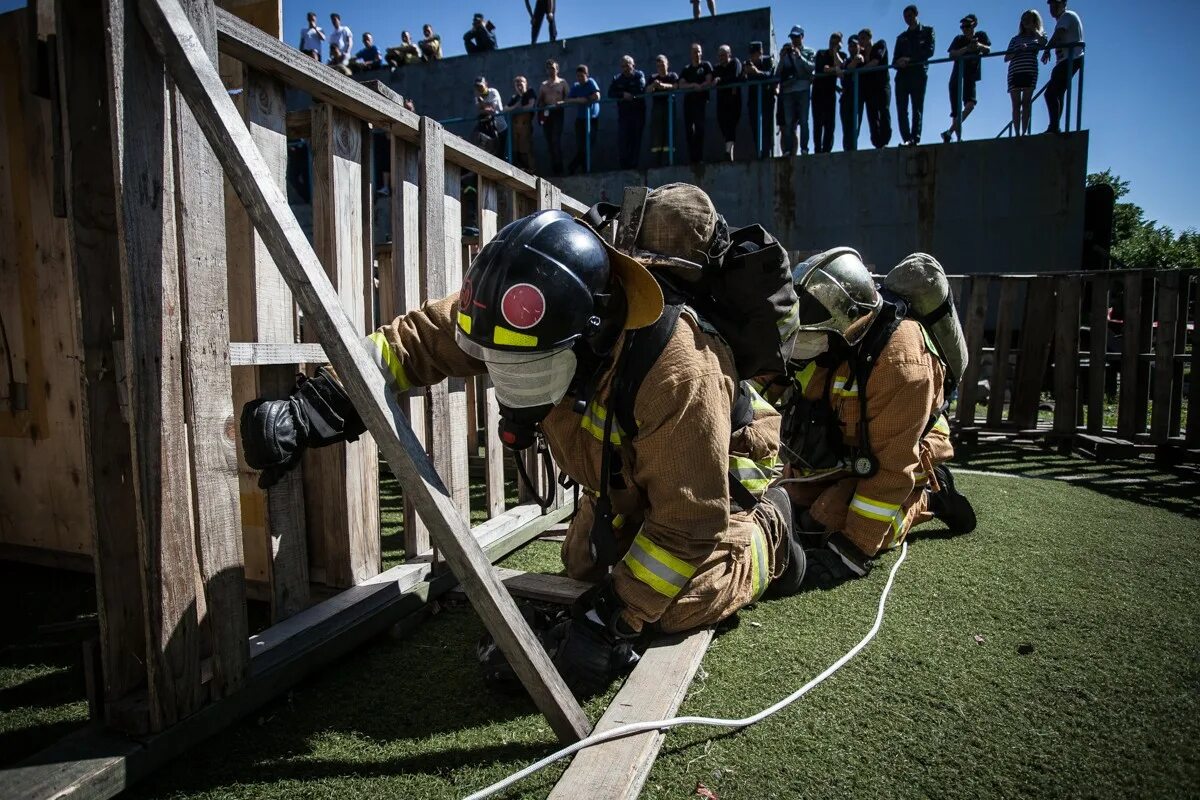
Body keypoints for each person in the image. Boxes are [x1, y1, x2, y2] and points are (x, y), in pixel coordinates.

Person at [240, 186, 801, 696]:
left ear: (592, 333)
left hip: (716, 475)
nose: (512, 384)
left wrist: (610, 621)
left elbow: (685, 522)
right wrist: (320, 405)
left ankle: (770, 534)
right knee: (583, 566)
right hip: (625, 475)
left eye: (533, 368)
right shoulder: (518, 306)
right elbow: (418, 342)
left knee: (674, 602)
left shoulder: (680, 369)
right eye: (499, 363)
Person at [770, 248, 977, 589]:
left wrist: (851, 551)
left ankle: (928, 499)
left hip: (897, 456)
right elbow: (784, 392)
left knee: (830, 522)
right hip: (848, 451)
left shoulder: (902, 363)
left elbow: (891, 468)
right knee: (800, 516)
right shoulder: (830, 344)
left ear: (847, 317)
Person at [940, 14, 991, 143]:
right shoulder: (959, 39)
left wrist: (978, 46)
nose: (965, 29)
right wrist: (967, 48)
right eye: (963, 27)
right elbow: (951, 54)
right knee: (956, 111)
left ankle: (950, 132)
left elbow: (988, 50)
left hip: (971, 75)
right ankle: (956, 138)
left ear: (974, 25)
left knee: (970, 104)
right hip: (957, 75)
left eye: (968, 26)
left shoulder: (981, 36)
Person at [893, 5, 935, 146]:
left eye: (910, 16)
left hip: (918, 74)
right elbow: (894, 60)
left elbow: (929, 51)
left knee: (917, 107)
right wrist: (899, 62)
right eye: (905, 17)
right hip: (902, 77)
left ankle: (915, 138)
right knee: (901, 109)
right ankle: (906, 138)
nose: (908, 19)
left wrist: (910, 60)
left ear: (916, 14)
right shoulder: (901, 38)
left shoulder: (927, 31)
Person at [1042, 0, 1085, 134]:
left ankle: (1054, 127)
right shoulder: (1063, 19)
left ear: (1064, 4)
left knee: (1050, 93)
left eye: (1057, 4)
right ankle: (1054, 126)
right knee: (1057, 92)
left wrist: (1047, 49)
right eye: (1051, 4)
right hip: (1065, 60)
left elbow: (1059, 33)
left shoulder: (1067, 16)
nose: (1053, 7)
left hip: (1071, 58)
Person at [1006, 10, 1047, 137]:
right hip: (1015, 71)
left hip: (1030, 71)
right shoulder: (1015, 39)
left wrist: (1034, 30)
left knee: (1026, 103)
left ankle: (1024, 132)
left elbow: (1044, 43)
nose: (1025, 22)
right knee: (1016, 104)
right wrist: (1018, 50)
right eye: (1024, 19)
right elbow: (1006, 57)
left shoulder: (1039, 36)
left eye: (1029, 19)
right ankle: (1017, 132)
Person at [778, 25, 816, 156]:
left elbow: (811, 68)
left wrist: (800, 56)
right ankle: (787, 150)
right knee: (788, 122)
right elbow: (779, 73)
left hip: (803, 89)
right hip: (788, 90)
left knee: (804, 120)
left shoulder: (810, 51)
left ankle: (804, 149)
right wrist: (782, 58)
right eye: (792, 37)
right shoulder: (786, 53)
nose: (794, 40)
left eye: (797, 37)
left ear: (802, 37)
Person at [677, 43, 714, 164]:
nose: (696, 54)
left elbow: (709, 80)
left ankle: (699, 158)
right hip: (688, 103)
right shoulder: (687, 69)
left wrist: (701, 86)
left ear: (701, 53)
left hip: (700, 102)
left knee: (700, 129)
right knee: (689, 130)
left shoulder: (706, 65)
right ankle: (692, 158)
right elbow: (681, 85)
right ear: (690, 54)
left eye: (698, 51)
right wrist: (693, 85)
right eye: (694, 52)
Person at [609, 56, 647, 171]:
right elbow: (610, 93)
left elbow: (641, 89)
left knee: (635, 141)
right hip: (624, 115)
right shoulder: (617, 79)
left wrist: (630, 95)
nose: (625, 68)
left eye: (628, 65)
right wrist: (622, 94)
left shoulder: (639, 75)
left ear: (633, 65)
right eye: (623, 66)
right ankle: (624, 167)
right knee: (623, 141)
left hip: (637, 114)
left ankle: (633, 166)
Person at [857, 28, 892, 148]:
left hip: (882, 85)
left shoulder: (880, 45)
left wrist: (860, 69)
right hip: (869, 89)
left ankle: (885, 140)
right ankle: (877, 143)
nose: (860, 41)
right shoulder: (860, 54)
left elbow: (876, 61)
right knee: (872, 116)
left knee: (884, 111)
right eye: (859, 39)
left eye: (863, 38)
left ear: (869, 38)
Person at [742, 41, 776, 159]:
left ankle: (766, 153)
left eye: (754, 54)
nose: (752, 57)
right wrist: (745, 73)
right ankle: (758, 151)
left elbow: (770, 75)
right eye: (751, 54)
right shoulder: (748, 63)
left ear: (760, 52)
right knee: (754, 125)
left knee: (767, 126)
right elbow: (742, 78)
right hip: (754, 99)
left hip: (766, 98)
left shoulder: (768, 60)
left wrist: (757, 72)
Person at [812, 32, 843, 154]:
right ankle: (817, 150)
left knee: (830, 125)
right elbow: (823, 69)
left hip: (830, 94)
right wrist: (835, 70)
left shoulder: (841, 55)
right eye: (831, 42)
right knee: (818, 123)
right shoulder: (821, 53)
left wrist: (835, 53)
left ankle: (826, 150)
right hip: (818, 93)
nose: (832, 45)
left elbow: (841, 65)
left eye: (836, 43)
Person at [567, 64, 601, 174]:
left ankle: (575, 167)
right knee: (581, 147)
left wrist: (585, 99)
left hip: (592, 119)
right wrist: (579, 100)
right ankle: (582, 169)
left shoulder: (590, 82)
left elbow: (597, 96)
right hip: (581, 120)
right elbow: (569, 99)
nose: (580, 78)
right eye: (578, 76)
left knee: (589, 144)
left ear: (587, 75)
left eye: (582, 76)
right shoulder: (576, 86)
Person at [647, 55, 680, 165]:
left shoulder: (672, 75)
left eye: (662, 65)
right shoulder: (653, 78)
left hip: (669, 108)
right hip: (657, 110)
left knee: (669, 134)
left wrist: (662, 86)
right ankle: (656, 162)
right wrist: (654, 85)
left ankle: (669, 161)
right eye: (658, 66)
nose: (661, 67)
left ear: (667, 64)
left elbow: (675, 86)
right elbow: (647, 90)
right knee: (657, 136)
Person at [538, 59, 570, 174]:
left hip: (557, 113)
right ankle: (554, 168)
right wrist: (541, 106)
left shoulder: (562, 83)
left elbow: (568, 98)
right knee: (549, 141)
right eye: (549, 68)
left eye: (553, 68)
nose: (551, 70)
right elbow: (539, 101)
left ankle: (559, 168)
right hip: (547, 114)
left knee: (556, 140)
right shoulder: (543, 85)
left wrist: (562, 103)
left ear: (557, 69)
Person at [712, 46, 742, 161]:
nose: (721, 58)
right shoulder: (717, 68)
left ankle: (728, 152)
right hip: (722, 102)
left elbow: (734, 77)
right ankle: (729, 153)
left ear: (729, 54)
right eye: (719, 55)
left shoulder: (735, 62)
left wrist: (720, 80)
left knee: (731, 126)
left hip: (733, 101)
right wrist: (719, 80)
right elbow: (714, 80)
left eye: (723, 55)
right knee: (723, 126)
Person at [838, 35, 865, 152]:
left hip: (857, 97)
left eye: (855, 45)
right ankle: (847, 149)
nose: (853, 48)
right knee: (846, 126)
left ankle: (852, 148)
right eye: (850, 46)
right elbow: (845, 71)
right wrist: (853, 62)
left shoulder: (864, 59)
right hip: (846, 97)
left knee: (855, 126)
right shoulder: (846, 61)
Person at [506, 75, 537, 171]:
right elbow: (505, 109)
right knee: (516, 150)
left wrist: (517, 109)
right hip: (515, 129)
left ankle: (532, 170)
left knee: (527, 149)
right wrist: (516, 105)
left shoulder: (530, 92)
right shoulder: (515, 97)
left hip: (526, 126)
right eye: (517, 83)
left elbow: (531, 106)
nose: (519, 85)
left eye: (521, 83)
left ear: (526, 83)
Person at [472, 76, 508, 157]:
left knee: (501, 154)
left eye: (480, 86)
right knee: (488, 151)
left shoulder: (493, 92)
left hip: (501, 128)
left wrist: (482, 103)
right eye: (477, 86)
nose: (479, 88)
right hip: (488, 129)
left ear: (486, 84)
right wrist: (485, 108)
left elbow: (492, 109)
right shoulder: (477, 96)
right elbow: (480, 111)